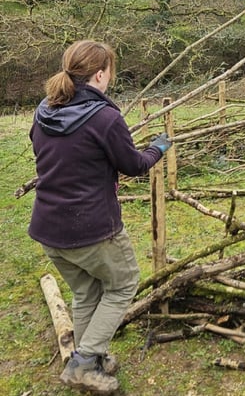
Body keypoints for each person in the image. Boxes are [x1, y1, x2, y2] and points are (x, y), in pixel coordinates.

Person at [28, 40, 172, 394]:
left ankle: (92, 358)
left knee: (86, 290)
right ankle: (82, 363)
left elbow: (53, 152)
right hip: (91, 230)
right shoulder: (105, 117)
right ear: (100, 74)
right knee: (123, 284)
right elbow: (134, 164)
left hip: (49, 229)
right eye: (111, 71)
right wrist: (158, 148)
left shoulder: (44, 110)